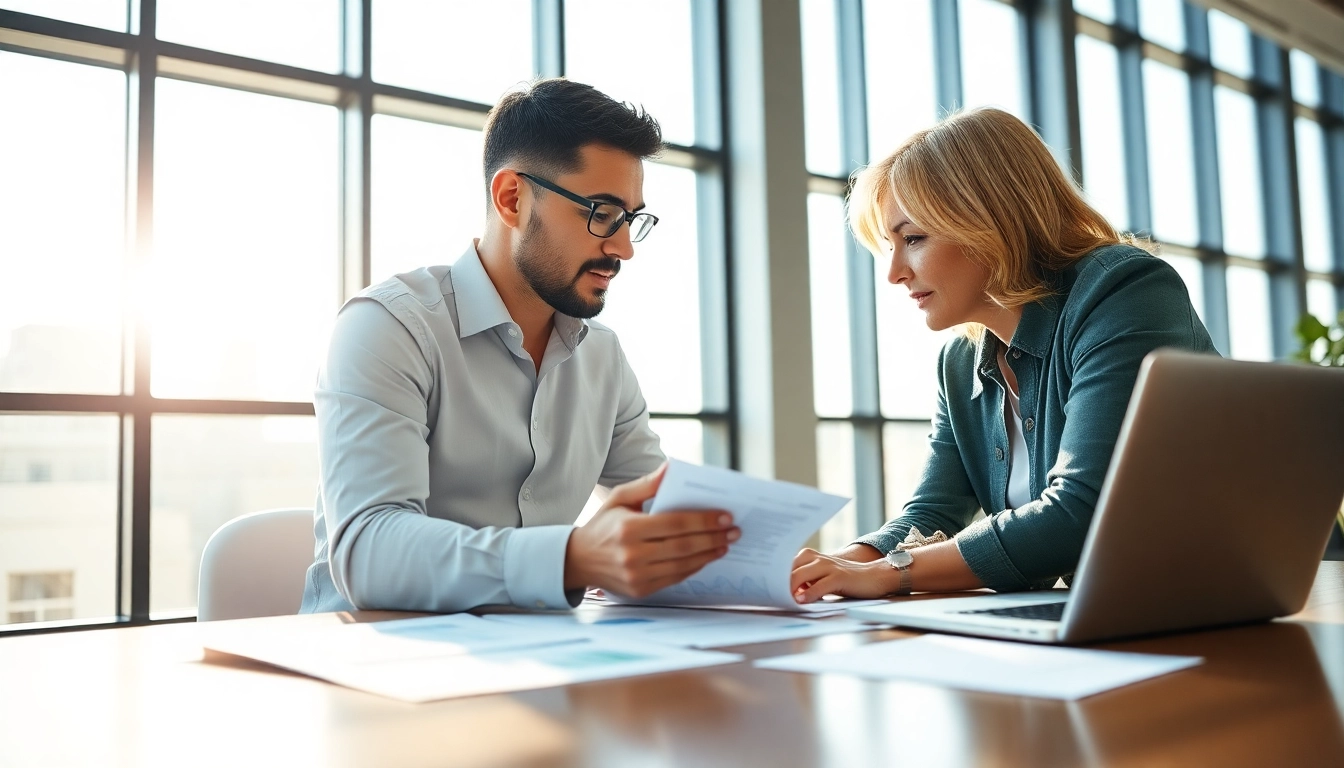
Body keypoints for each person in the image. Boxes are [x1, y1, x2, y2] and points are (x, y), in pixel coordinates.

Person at [301, 78, 738, 615]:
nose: (623, 247)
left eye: (631, 219)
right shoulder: (387, 328)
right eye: (602, 213)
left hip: (541, 661)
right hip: (378, 668)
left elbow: (661, 512)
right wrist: (572, 557)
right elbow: (368, 552)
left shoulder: (601, 355)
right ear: (512, 199)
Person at [791, 107, 1217, 603]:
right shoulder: (958, 363)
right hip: (1109, 618)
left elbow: (1084, 508)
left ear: (989, 224)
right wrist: (837, 565)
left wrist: (887, 575)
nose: (894, 273)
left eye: (913, 239)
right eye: (889, 245)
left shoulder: (1122, 290)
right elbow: (931, 512)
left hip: (1218, 607)